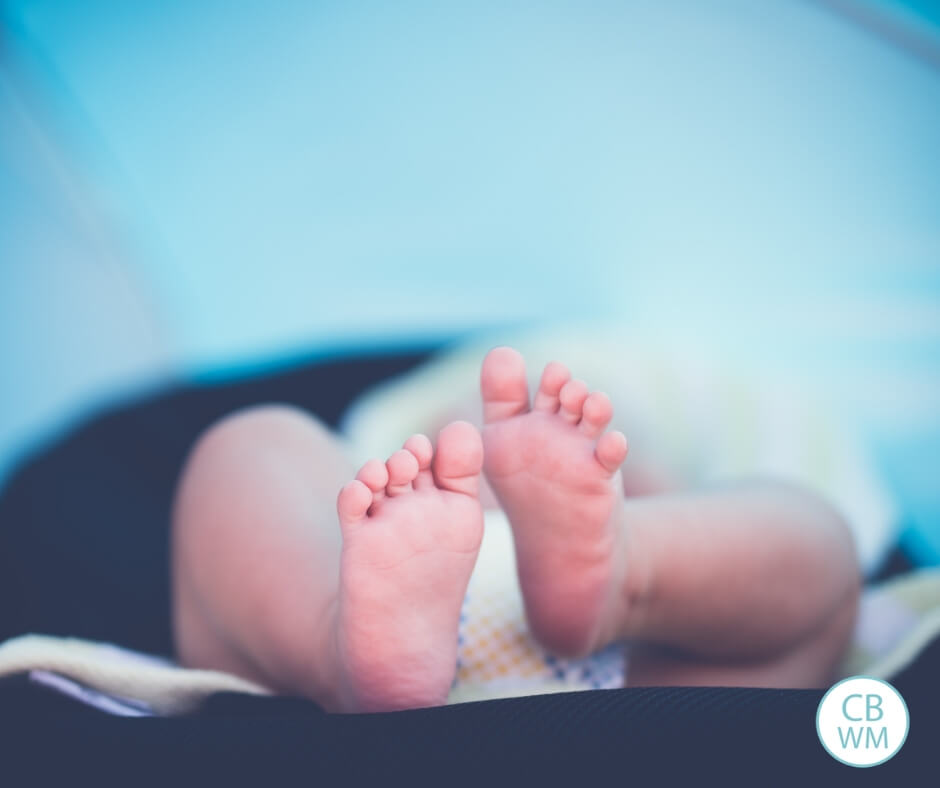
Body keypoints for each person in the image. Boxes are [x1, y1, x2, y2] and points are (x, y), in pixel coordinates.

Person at [171, 346, 860, 712]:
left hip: (643, 666)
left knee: (819, 548)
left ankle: (626, 572)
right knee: (256, 452)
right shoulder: (360, 492)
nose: (521, 427)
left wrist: (632, 503)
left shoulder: (690, 489)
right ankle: (338, 643)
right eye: (478, 428)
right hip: (365, 598)